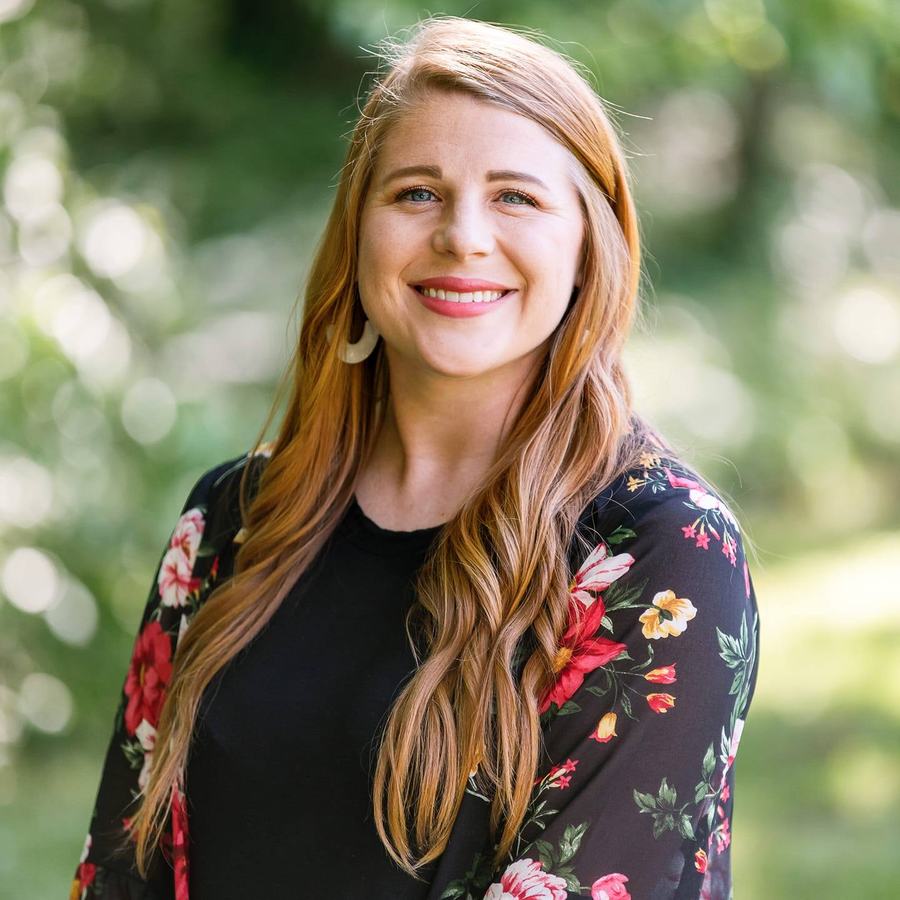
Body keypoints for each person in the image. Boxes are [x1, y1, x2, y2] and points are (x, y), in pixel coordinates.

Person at [70, 15, 760, 900]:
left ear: (590, 247)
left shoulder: (662, 556)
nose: (463, 236)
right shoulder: (232, 522)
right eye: (417, 193)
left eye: (516, 196)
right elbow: (122, 866)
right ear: (358, 235)